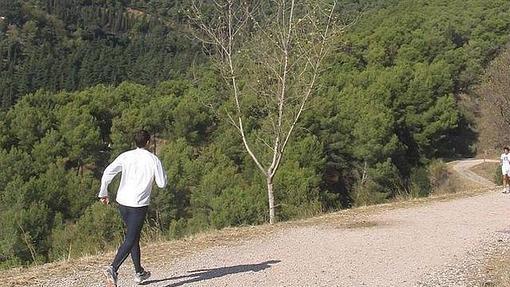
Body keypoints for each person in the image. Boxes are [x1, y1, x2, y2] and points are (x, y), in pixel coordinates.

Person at [99, 130, 167, 286]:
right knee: (131, 238)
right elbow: (162, 184)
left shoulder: (126, 156)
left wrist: (103, 192)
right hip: (138, 205)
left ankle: (139, 272)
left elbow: (108, 172)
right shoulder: (153, 160)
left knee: (133, 236)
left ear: (135, 142)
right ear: (148, 142)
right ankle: (113, 268)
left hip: (122, 202)